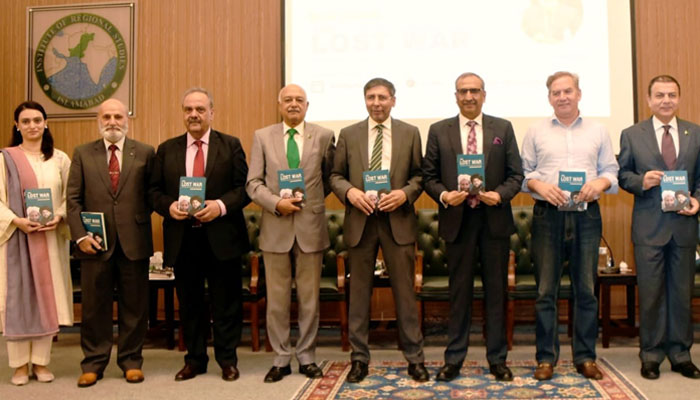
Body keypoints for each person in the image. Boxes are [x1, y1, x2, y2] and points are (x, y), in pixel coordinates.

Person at [423, 72, 523, 382]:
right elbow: (428, 176)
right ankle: (453, 359)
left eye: (474, 91)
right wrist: (443, 195)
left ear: (484, 94)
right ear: (455, 96)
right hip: (457, 221)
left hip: (493, 219)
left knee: (496, 292)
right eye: (463, 91)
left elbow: (515, 175)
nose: (469, 96)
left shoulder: (502, 128)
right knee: (459, 293)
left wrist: (500, 195)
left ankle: (497, 359)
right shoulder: (439, 130)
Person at [520, 71, 618, 381]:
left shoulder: (598, 130)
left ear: (578, 93)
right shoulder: (535, 131)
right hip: (547, 215)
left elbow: (611, 173)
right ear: (549, 97)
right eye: (556, 92)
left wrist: (598, 184)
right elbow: (524, 175)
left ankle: (585, 357)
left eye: (568, 91)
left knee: (586, 290)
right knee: (545, 291)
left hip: (586, 215)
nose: (562, 97)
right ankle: (546, 358)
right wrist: (540, 186)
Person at [330, 78, 427, 383]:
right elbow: (335, 175)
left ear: (393, 101)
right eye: (371, 97)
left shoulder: (410, 133)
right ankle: (359, 358)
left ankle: (415, 358)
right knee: (359, 294)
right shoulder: (348, 134)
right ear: (365, 100)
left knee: (405, 294)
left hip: (397, 219)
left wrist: (405, 194)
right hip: (361, 220)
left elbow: (419, 175)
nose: (377, 102)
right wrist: (350, 193)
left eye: (382, 97)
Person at [150, 87, 250, 382]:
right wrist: (169, 207)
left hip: (222, 236)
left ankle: (227, 360)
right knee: (190, 303)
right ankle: (194, 360)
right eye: (188, 109)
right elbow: (153, 192)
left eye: (200, 109)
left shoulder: (230, 145)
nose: (194, 114)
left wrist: (219, 207)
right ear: (183, 113)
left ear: (211, 113)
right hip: (183, 238)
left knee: (226, 303)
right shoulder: (166, 149)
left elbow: (244, 188)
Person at [246, 84, 335, 383]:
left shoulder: (323, 136)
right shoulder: (262, 136)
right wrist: (276, 203)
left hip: (310, 227)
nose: (293, 104)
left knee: (310, 299)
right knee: (278, 299)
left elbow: (328, 177)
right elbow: (253, 183)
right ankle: (281, 357)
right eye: (288, 100)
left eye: (299, 100)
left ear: (307, 105)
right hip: (275, 227)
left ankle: (307, 356)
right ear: (279, 104)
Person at [66, 98, 155, 387]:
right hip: (94, 244)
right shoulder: (82, 153)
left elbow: (152, 195)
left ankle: (131, 361)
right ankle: (93, 362)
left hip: (134, 241)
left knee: (135, 306)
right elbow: (73, 200)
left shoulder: (144, 152)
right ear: (98, 120)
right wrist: (80, 236)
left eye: (118, 116)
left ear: (127, 119)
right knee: (94, 307)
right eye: (107, 116)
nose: (112, 121)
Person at [618, 74, 700, 380]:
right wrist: (642, 181)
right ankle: (650, 355)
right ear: (649, 100)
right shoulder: (631, 134)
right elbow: (623, 175)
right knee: (651, 294)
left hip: (683, 226)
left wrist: (698, 201)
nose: (666, 100)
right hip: (649, 228)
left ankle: (681, 354)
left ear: (679, 98)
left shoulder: (696, 133)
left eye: (672, 95)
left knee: (681, 293)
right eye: (660, 95)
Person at [0, 101, 73, 386]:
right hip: (16, 238)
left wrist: (59, 215)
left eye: (37, 120)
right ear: (17, 126)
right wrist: (16, 220)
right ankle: (19, 365)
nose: (32, 125)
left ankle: (42, 363)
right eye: (26, 121)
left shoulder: (59, 159)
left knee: (46, 297)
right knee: (18, 298)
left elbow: (70, 196)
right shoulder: (4, 159)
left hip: (49, 239)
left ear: (46, 123)